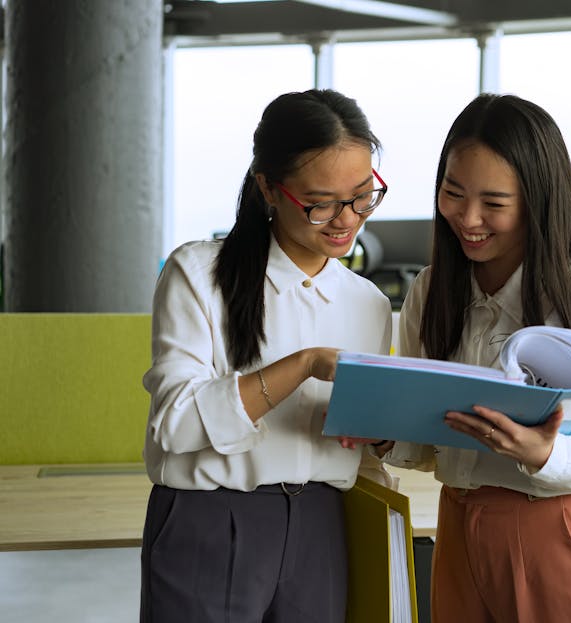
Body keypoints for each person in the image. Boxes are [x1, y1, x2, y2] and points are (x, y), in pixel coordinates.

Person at [374, 93, 571, 623]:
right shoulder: (433, 289)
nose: (468, 218)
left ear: (538, 201)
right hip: (456, 519)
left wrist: (543, 453)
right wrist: (385, 431)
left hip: (551, 521)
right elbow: (425, 436)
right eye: (453, 193)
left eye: (494, 204)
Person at [140, 89, 392, 623]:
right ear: (267, 189)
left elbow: (365, 444)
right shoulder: (198, 275)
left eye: (363, 196)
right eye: (320, 202)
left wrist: (379, 430)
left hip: (324, 522)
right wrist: (303, 365)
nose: (345, 219)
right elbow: (175, 424)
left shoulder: (367, 303)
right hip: (210, 517)